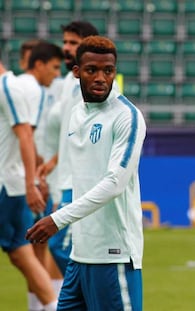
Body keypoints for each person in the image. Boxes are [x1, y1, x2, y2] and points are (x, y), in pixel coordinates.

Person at [26, 35, 147, 311]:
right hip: (79, 258)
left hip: (113, 256)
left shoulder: (127, 116)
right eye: (92, 70)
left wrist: (57, 219)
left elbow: (115, 183)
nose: (101, 78)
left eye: (108, 70)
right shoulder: (77, 114)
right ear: (77, 72)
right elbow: (79, 173)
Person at [37, 21, 99, 276]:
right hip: (63, 179)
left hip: (79, 181)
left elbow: (87, 136)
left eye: (73, 43)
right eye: (65, 42)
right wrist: (52, 163)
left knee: (61, 248)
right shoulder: (67, 82)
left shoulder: (89, 85)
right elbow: (68, 133)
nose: (66, 47)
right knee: (62, 250)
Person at [0, 61, 58, 311]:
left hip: (6, 184)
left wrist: (30, 182)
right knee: (22, 252)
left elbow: (25, 133)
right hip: (12, 182)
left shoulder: (7, 87)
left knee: (21, 251)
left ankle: (53, 305)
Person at [18, 40, 65, 311]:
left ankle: (49, 305)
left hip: (46, 176)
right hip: (35, 174)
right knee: (30, 249)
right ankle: (41, 306)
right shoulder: (30, 89)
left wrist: (43, 170)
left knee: (38, 247)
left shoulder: (52, 89)